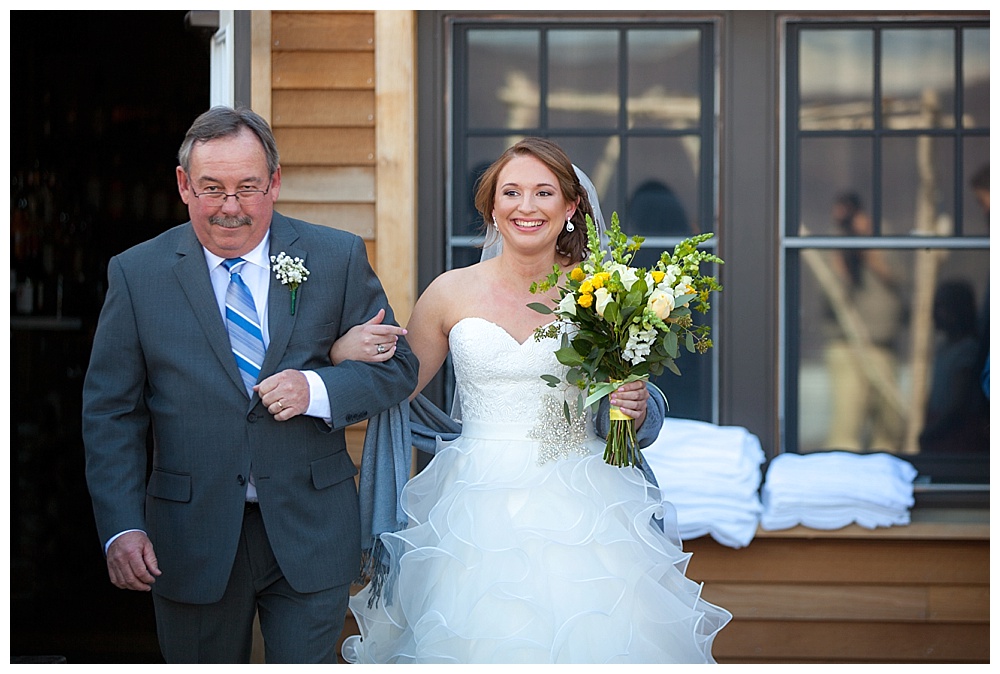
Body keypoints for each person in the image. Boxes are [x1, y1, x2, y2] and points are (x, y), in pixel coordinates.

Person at [332, 137, 731, 663]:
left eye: (544, 193)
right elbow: (397, 386)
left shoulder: (605, 291)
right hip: (471, 502)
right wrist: (343, 353)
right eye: (511, 192)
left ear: (570, 208)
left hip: (586, 499)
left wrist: (632, 408)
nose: (526, 206)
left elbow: (622, 393)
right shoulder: (450, 292)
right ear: (492, 208)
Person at [81, 106, 419, 663]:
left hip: (310, 527)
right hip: (187, 537)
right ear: (184, 185)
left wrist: (317, 389)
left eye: (247, 187)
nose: (230, 207)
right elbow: (111, 413)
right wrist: (121, 528)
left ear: (275, 183)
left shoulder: (334, 256)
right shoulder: (137, 274)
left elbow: (397, 366)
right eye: (212, 188)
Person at [821, 191, 905, 453]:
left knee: (889, 427)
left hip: (882, 344)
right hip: (848, 345)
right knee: (847, 426)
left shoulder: (879, 238)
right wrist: (842, 258)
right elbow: (832, 296)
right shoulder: (832, 246)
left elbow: (900, 279)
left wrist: (868, 247)